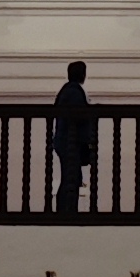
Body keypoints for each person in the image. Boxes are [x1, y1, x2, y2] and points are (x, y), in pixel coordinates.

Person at [50, 59, 98, 220]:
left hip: (65, 142)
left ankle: (67, 211)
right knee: (71, 178)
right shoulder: (74, 91)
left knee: (71, 177)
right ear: (83, 75)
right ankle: (67, 212)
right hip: (70, 142)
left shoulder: (67, 90)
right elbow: (79, 115)